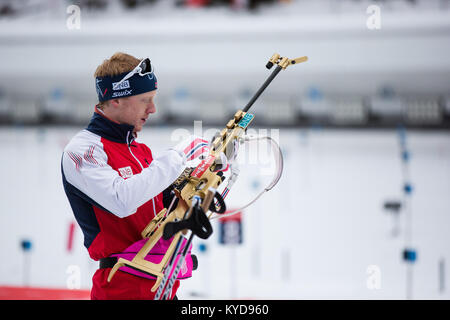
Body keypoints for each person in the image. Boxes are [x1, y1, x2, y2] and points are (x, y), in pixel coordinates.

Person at [61, 52, 209, 300]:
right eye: (145, 100)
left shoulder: (141, 152)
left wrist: (199, 188)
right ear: (117, 99)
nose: (153, 109)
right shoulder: (83, 151)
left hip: (162, 284)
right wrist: (178, 155)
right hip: (123, 288)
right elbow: (121, 200)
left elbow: (161, 214)